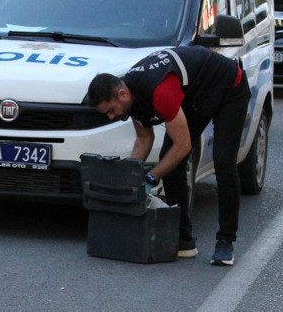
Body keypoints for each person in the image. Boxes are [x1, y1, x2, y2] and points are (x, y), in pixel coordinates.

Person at [87, 46, 252, 266]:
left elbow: (183, 146)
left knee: (223, 162)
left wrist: (150, 178)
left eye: (110, 111)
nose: (111, 117)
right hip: (195, 95)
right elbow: (144, 139)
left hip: (229, 87)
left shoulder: (159, 91)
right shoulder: (131, 97)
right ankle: (184, 240)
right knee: (170, 161)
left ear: (122, 94)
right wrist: (129, 178)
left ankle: (225, 242)